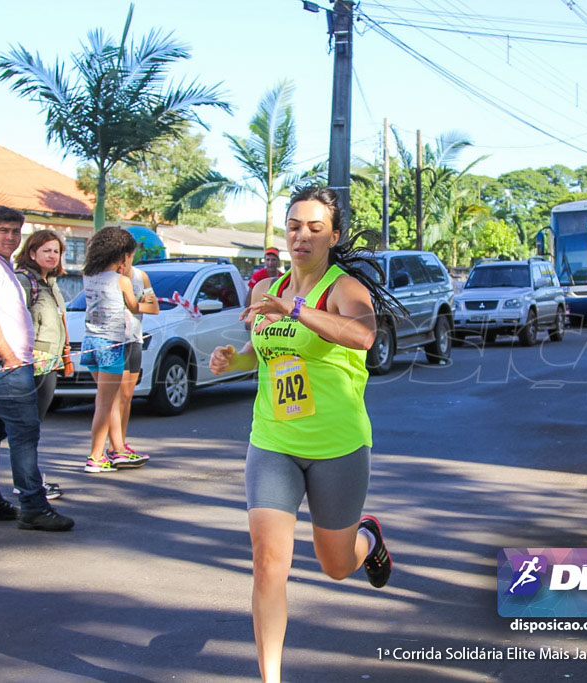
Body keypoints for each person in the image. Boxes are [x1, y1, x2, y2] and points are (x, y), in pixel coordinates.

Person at [209, 186, 401, 683]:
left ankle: (368, 538)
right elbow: (268, 354)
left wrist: (292, 310)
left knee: (336, 565)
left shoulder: (343, 289)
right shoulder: (264, 291)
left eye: (315, 228)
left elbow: (363, 336)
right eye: (295, 226)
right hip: (273, 441)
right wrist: (237, 358)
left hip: (337, 445)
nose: (302, 236)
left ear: (333, 237)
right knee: (269, 562)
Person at [0, 206, 73, 532]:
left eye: (15, 232)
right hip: (0, 367)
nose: (10, 237)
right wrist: (8, 357)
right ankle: (33, 506)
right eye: (4, 230)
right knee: (24, 434)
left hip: (3, 365)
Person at [80, 227, 157, 473]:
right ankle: (96, 456)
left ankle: (114, 449)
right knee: (105, 404)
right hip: (114, 344)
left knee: (108, 401)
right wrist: (140, 301)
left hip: (90, 342)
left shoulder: (88, 275)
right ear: (123, 255)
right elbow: (137, 307)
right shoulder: (123, 280)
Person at [14, 229, 71, 501]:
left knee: (33, 425)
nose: (52, 255)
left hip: (50, 362)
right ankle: (28, 483)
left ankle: (29, 479)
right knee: (27, 426)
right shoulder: (24, 281)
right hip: (32, 363)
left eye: (56, 251)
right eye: (46, 250)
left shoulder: (51, 283)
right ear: (32, 252)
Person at [117, 261, 157, 461]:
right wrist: (135, 304)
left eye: (128, 256)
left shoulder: (141, 276)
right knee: (111, 399)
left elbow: (153, 306)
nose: (124, 262)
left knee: (126, 396)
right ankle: (110, 449)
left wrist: (135, 304)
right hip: (112, 341)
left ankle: (121, 444)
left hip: (134, 338)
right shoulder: (105, 275)